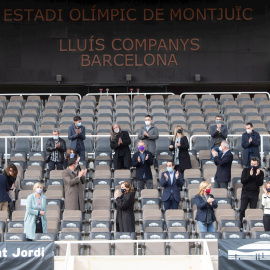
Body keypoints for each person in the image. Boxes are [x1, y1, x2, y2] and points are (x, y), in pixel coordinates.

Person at [239, 157, 264, 227]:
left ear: (258, 164)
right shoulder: (246, 170)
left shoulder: (261, 172)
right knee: (242, 209)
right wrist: (249, 175)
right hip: (245, 193)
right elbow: (243, 181)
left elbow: (260, 183)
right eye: (252, 164)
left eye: (255, 164)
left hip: (254, 194)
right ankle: (241, 226)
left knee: (253, 210)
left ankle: (252, 226)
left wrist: (257, 175)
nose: (253, 166)